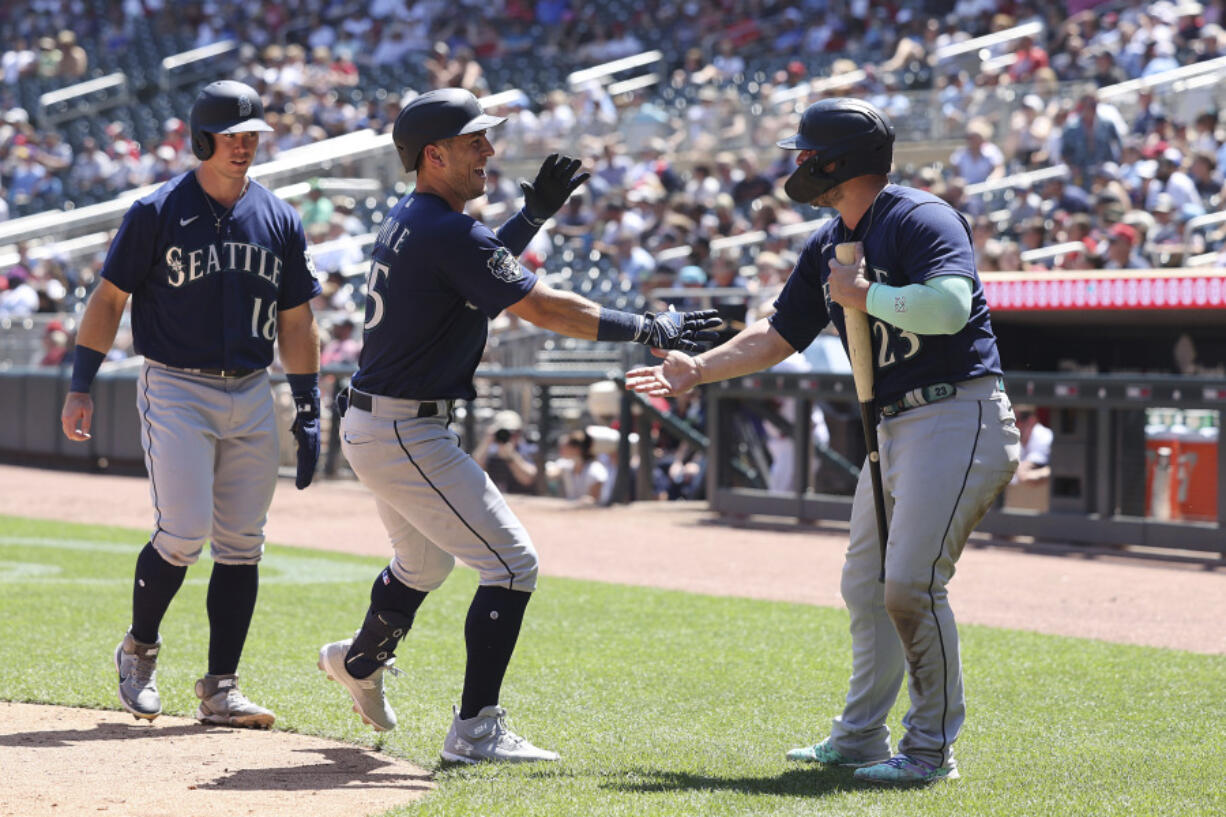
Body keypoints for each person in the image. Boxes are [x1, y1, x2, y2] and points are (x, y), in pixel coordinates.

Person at [315, 88, 719, 764]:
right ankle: (475, 730)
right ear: (433, 154)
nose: (489, 150)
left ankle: (357, 662)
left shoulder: (418, 217)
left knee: (424, 563)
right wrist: (648, 326)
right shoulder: (445, 226)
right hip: (403, 431)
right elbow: (540, 305)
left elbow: (477, 277)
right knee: (510, 563)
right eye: (474, 140)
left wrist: (530, 216)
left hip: (382, 423)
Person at [626, 97, 1020, 785]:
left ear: (841, 161)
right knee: (866, 587)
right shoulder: (826, 243)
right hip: (894, 425)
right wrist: (699, 369)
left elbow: (951, 306)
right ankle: (861, 738)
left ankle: (929, 750)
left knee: (910, 587)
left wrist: (866, 295)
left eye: (808, 154)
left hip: (957, 412)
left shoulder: (918, 217)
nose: (798, 165)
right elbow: (777, 336)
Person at [59, 80, 323, 729]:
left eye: (252, 134)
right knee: (183, 532)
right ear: (202, 138)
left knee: (242, 544)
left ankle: (221, 689)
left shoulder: (278, 217)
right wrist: (80, 382)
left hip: (252, 390)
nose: (244, 145)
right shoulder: (156, 210)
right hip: (176, 384)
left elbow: (295, 317)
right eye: (232, 135)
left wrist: (308, 400)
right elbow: (109, 299)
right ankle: (138, 651)